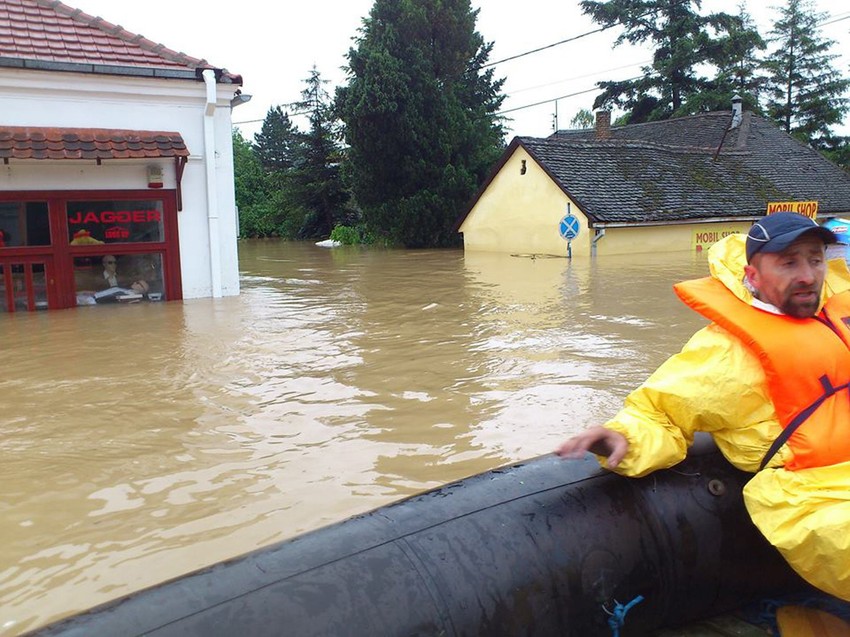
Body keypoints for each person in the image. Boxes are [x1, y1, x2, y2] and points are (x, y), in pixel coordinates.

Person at [557, 211, 850, 602]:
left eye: (815, 260)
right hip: (811, 494)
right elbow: (659, 411)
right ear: (753, 276)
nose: (808, 275)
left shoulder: (836, 311)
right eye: (788, 262)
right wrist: (620, 435)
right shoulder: (724, 356)